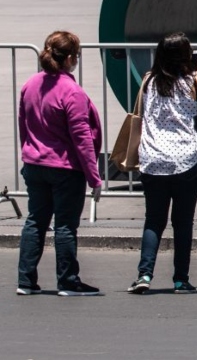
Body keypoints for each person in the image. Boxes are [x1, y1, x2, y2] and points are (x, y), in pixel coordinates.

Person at [17, 31, 103, 296]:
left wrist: (28, 153)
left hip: (35, 164)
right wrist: (94, 177)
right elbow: (82, 138)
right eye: (76, 56)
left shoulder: (30, 85)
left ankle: (25, 281)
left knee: (35, 221)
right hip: (65, 168)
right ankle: (68, 281)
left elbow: (23, 125)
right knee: (65, 226)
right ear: (69, 59)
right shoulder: (72, 91)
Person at [128, 32, 197, 294]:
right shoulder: (194, 82)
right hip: (186, 159)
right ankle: (180, 279)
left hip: (153, 159)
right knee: (183, 222)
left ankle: (144, 274)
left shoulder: (149, 81)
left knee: (153, 220)